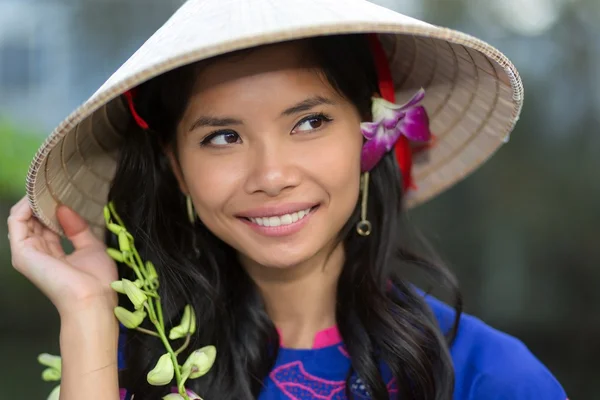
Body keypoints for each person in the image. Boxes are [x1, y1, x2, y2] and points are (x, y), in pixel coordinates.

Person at [8, 0, 567, 399]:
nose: (271, 175)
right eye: (222, 136)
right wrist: (85, 315)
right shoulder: (133, 369)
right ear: (176, 167)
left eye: (309, 121)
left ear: (369, 135)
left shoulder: (489, 377)